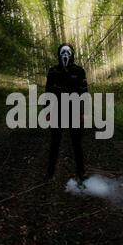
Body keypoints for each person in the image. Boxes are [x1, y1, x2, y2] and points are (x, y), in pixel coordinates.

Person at [44, 44, 88, 183]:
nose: (65, 54)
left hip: (74, 111)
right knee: (55, 143)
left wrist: (82, 112)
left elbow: (84, 92)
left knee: (77, 144)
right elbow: (48, 92)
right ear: (58, 54)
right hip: (57, 110)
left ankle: (81, 173)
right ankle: (50, 174)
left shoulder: (79, 71)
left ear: (72, 54)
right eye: (62, 52)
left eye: (68, 52)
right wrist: (47, 110)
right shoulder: (53, 71)